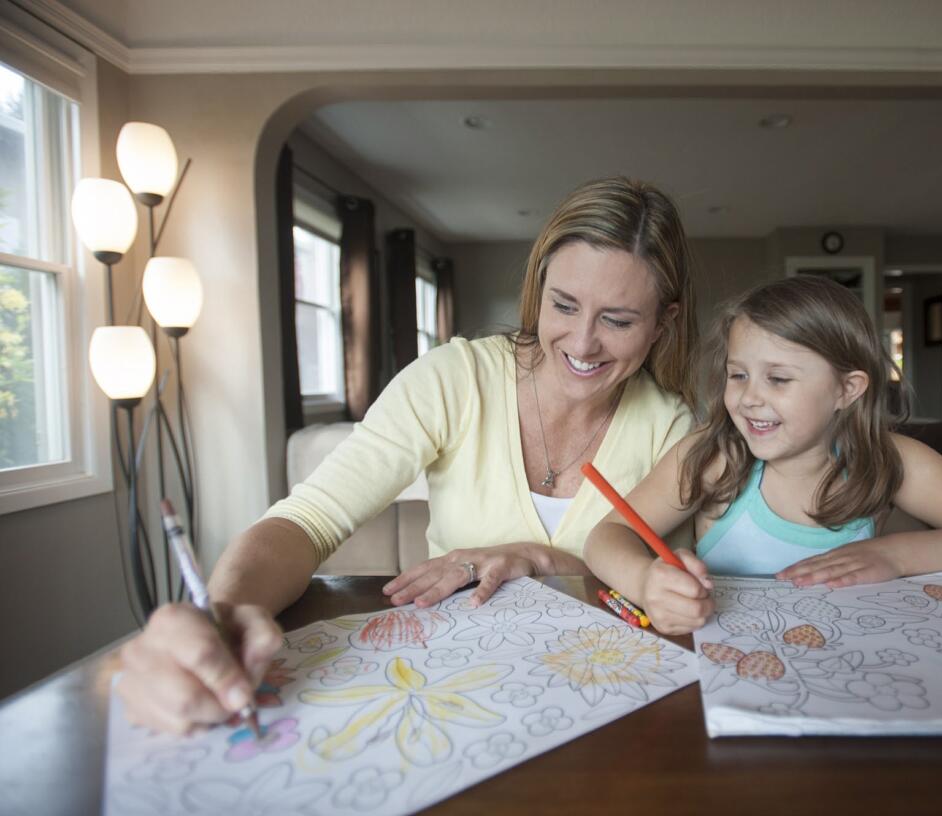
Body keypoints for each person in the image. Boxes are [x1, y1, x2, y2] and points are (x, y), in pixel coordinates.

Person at [117, 177, 698, 733]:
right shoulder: (454, 379)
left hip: (605, 694)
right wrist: (225, 614)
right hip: (452, 684)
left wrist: (538, 558)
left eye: (617, 321)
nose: (582, 342)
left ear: (662, 324)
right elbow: (306, 522)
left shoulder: (672, 427)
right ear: (538, 289)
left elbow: (654, 593)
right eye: (564, 306)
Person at [584, 275, 942, 635]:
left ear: (846, 390)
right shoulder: (714, 456)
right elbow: (607, 536)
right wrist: (646, 582)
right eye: (738, 374)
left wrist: (896, 555)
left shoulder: (894, 461)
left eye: (779, 378)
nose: (749, 398)